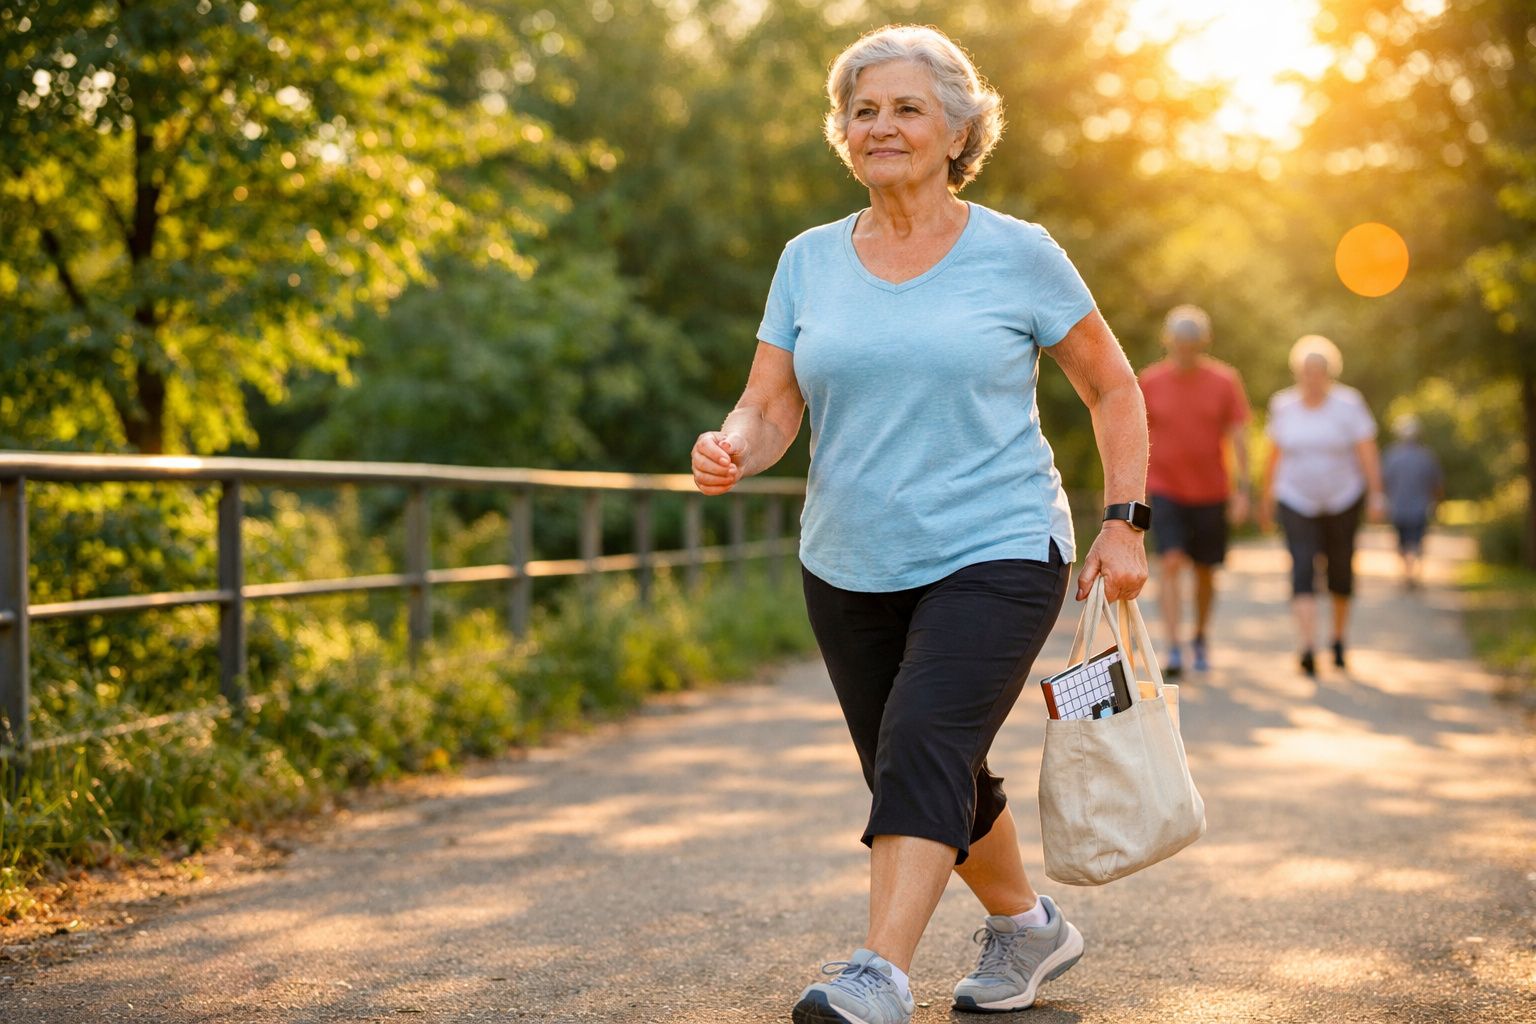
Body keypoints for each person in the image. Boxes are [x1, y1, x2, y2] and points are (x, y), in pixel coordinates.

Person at [690, 24, 1150, 1024]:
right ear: (843, 134)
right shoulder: (808, 261)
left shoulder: (1018, 255)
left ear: (956, 129)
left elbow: (1113, 388)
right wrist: (731, 443)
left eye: (906, 108)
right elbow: (769, 404)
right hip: (849, 559)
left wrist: (1124, 521)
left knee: (921, 745)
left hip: (1000, 543)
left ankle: (876, 973)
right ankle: (1030, 925)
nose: (881, 126)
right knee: (928, 759)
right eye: (863, 110)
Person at [1259, 335, 1384, 677]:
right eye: (1306, 370)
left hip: (1343, 498)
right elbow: (1274, 455)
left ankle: (1339, 639)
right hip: (1296, 498)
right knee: (1302, 566)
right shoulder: (1283, 406)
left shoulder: (1349, 404)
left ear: (1330, 373)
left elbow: (1366, 451)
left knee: (1340, 569)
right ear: (1297, 372)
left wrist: (1376, 493)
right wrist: (1266, 498)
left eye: (1319, 370)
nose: (1312, 377)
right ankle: (1308, 646)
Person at [1138, 305, 1251, 676]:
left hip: (1211, 491)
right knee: (1170, 562)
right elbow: (1135, 436)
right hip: (1164, 486)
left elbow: (1238, 435)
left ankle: (1199, 636)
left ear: (1203, 343)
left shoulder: (1224, 381)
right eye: (1178, 342)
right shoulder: (1150, 382)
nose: (1185, 348)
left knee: (1205, 571)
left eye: (1192, 342)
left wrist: (1243, 490)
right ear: (1168, 342)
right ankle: (1173, 647)